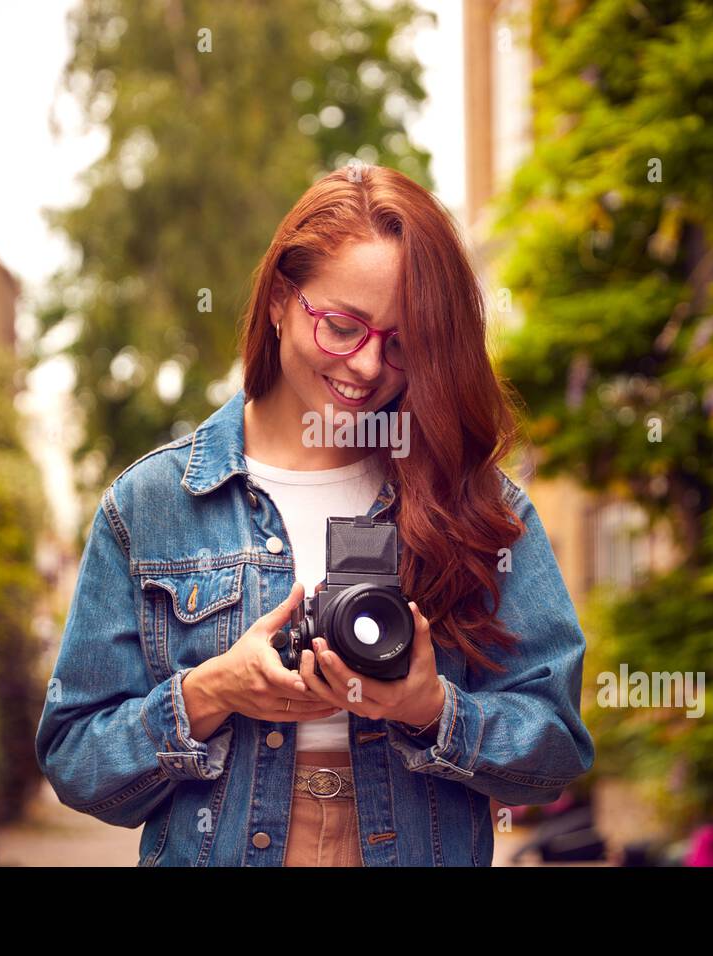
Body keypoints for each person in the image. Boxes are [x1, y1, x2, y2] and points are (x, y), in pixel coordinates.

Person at [35, 165, 594, 866]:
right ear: (277, 300)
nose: (366, 367)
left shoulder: (476, 503)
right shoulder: (153, 504)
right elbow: (75, 761)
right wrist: (213, 691)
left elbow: (556, 751)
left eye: (401, 344)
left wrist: (430, 709)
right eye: (341, 327)